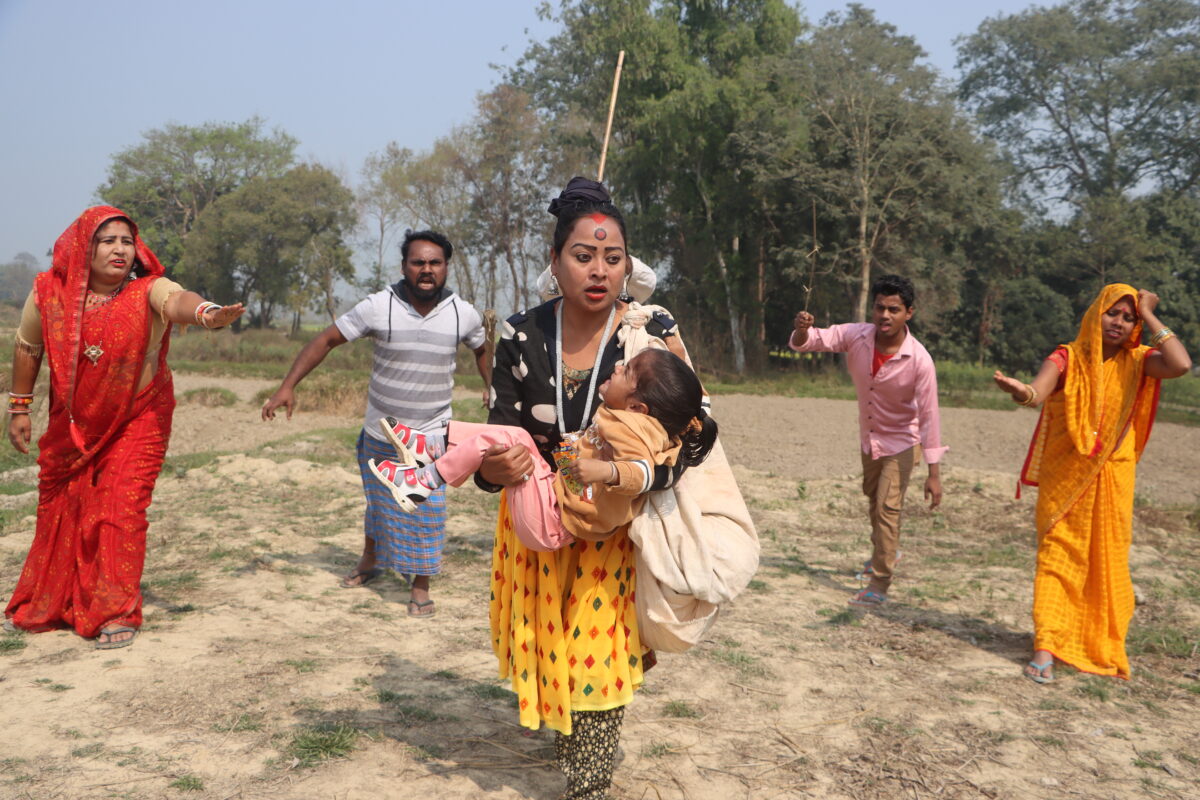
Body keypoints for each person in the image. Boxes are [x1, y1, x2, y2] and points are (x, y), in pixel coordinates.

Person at [475, 177, 688, 800]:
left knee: (594, 664)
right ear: (555, 261)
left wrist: (626, 475)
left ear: (629, 265)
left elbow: (695, 434)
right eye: (584, 255)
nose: (599, 270)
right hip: (537, 524)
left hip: (611, 532)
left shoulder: (647, 331)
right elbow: (498, 433)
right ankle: (579, 751)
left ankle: (589, 785)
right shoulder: (520, 334)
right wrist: (497, 469)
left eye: (613, 258)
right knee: (553, 656)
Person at [3, 206, 244, 649]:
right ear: (83, 246)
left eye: (127, 241)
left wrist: (207, 312)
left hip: (140, 416)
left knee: (119, 507)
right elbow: (28, 346)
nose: (119, 249)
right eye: (107, 240)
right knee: (65, 509)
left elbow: (177, 300)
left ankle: (115, 610)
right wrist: (19, 408)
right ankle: (53, 603)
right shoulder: (48, 294)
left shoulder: (147, 290)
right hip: (72, 424)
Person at [261, 230, 488, 618]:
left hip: (432, 436)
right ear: (404, 267)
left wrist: (490, 386)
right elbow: (327, 340)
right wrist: (287, 385)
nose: (427, 270)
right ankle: (370, 559)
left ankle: (420, 584)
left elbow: (483, 348)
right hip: (380, 431)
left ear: (446, 268)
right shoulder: (378, 307)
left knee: (427, 507)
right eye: (418, 263)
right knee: (379, 502)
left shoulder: (462, 313)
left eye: (435, 263)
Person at [993, 284, 1191, 684]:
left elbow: (1181, 365)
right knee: (1057, 557)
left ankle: (1095, 642)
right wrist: (1023, 393)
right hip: (1064, 478)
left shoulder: (1139, 361)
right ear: (1095, 313)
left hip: (1113, 480)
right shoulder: (1068, 356)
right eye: (1112, 313)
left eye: (1128, 317)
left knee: (1106, 561)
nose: (1118, 322)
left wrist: (1151, 314)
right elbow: (1038, 392)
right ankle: (1045, 648)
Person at [367, 348, 717, 554]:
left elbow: (641, 473)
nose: (617, 367)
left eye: (626, 372)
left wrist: (607, 472)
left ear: (638, 407)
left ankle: (425, 474)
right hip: (555, 497)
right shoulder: (631, 419)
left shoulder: (636, 429)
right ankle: (426, 451)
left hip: (554, 523)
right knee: (512, 434)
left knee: (513, 439)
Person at [790, 274, 947, 607]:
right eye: (879, 308)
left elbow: (930, 416)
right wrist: (803, 329)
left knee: (888, 508)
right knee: (873, 501)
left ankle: (880, 583)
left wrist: (934, 473)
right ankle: (888, 552)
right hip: (871, 438)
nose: (885, 316)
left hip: (904, 441)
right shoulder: (856, 335)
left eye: (894, 309)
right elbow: (813, 341)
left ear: (909, 313)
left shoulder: (920, 360)